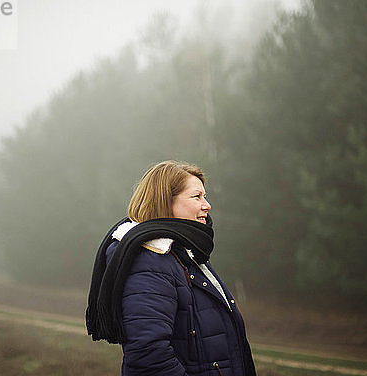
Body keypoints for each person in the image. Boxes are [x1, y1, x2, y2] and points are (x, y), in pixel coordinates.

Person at [86, 160, 256, 376]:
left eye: (205, 196)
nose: (207, 205)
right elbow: (148, 355)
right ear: (166, 201)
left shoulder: (184, 253)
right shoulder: (149, 259)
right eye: (197, 196)